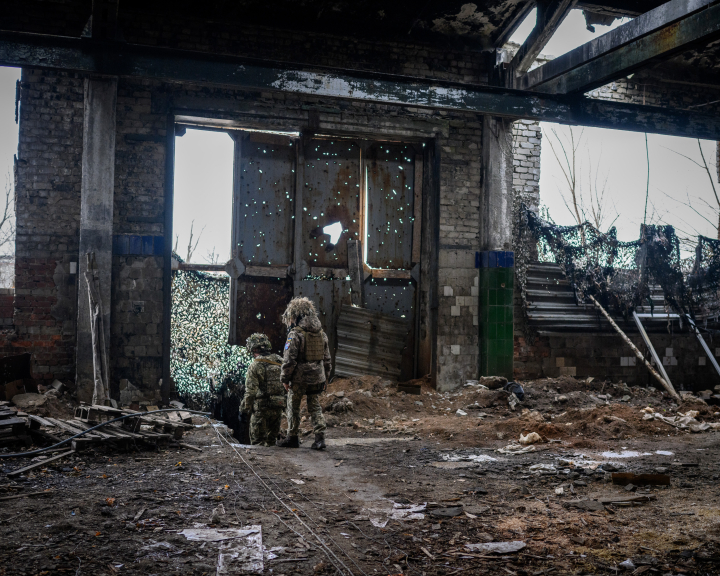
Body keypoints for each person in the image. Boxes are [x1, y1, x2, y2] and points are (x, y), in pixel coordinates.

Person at [277, 297, 330, 450]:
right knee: (315, 406)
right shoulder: (321, 333)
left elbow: (289, 360)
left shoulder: (295, 334)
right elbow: (327, 358)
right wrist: (325, 376)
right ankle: (320, 438)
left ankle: (292, 437)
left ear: (296, 315)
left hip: (299, 379)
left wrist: (285, 378)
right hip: (317, 377)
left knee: (293, 406)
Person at [240, 333, 286, 447]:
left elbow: (251, 392)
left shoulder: (255, 365)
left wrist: (244, 410)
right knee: (271, 443)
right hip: (278, 407)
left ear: (253, 348)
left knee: (257, 444)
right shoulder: (280, 360)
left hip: (262, 409)